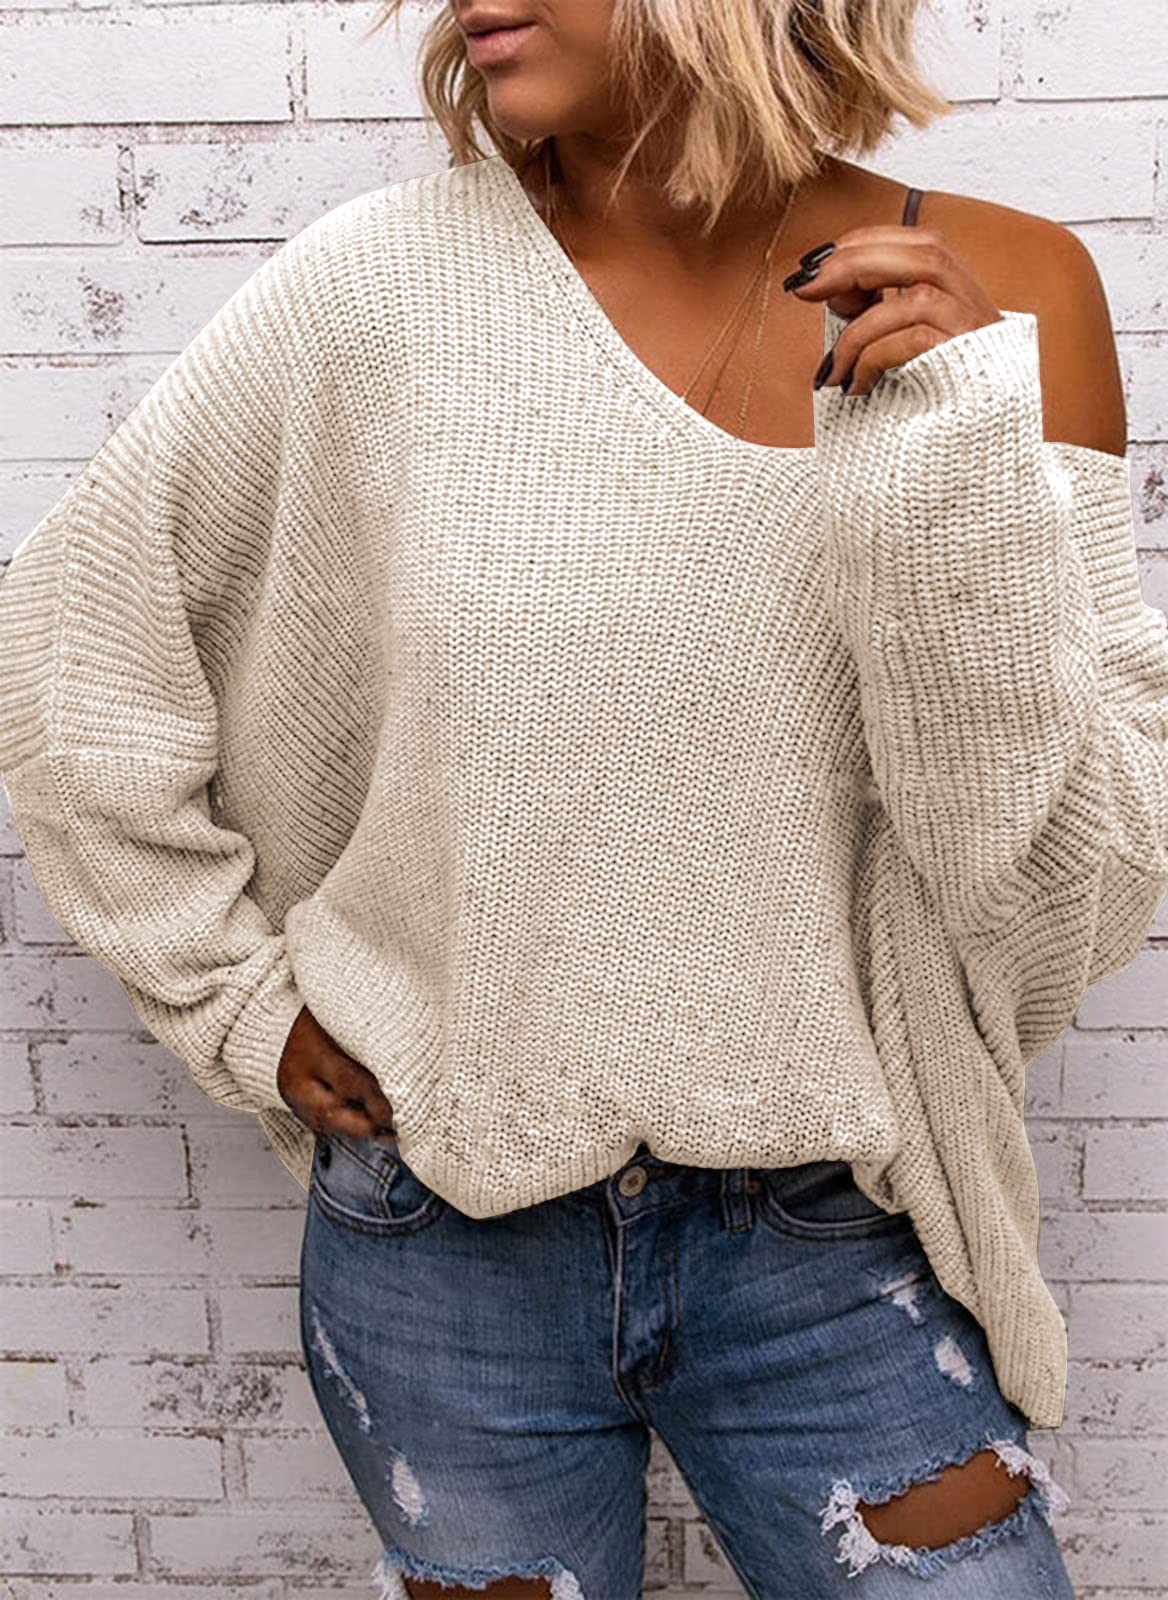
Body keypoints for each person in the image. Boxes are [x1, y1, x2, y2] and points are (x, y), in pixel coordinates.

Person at [1, 0, 1164, 1595]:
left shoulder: (1010, 294)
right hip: (442, 1240)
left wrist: (955, 479)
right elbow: (74, 640)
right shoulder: (372, 289)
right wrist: (233, 1000)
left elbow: (1061, 896)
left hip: (839, 1241)